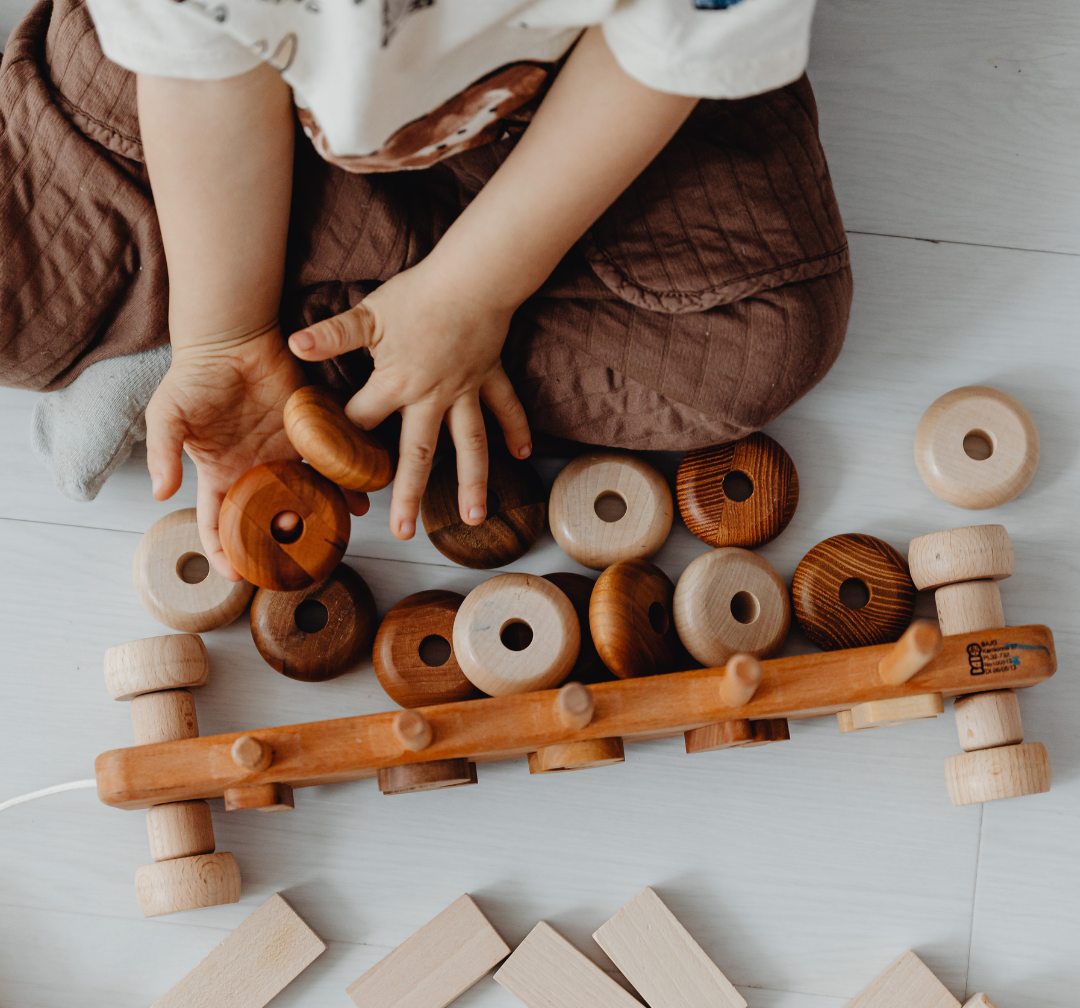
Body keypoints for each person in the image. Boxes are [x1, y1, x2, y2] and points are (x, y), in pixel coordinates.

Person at [6, 0, 852, 577]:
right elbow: (195, 59)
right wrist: (219, 331)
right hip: (230, 105)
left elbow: (667, 58)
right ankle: (281, 327)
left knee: (762, 345)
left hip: (563, 117)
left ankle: (313, 321)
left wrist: (472, 292)